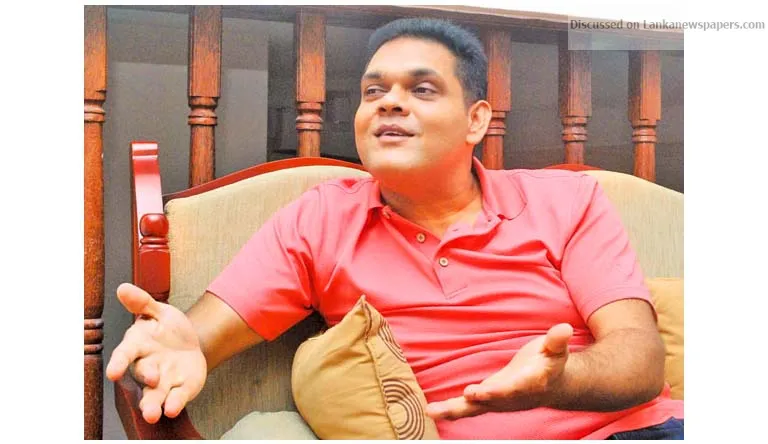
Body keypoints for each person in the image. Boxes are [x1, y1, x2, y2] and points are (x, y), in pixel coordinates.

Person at [106, 18, 684, 440]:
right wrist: (180, 345)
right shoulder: (321, 219)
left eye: (422, 89)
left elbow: (638, 358)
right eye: (374, 91)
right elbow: (200, 337)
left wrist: (560, 380)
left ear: (476, 120)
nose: (389, 103)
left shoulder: (568, 201)